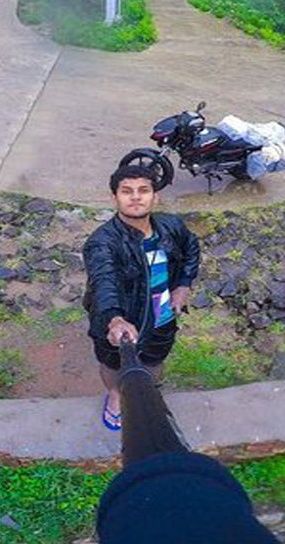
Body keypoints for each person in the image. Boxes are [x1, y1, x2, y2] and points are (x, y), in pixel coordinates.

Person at [83, 164, 201, 431]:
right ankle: (115, 396)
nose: (135, 197)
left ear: (155, 196)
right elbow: (104, 281)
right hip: (117, 318)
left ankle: (151, 390)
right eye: (127, 191)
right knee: (112, 362)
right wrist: (114, 320)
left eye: (143, 190)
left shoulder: (172, 227)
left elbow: (192, 248)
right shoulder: (102, 242)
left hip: (163, 313)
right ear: (114, 198)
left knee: (155, 359)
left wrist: (183, 285)